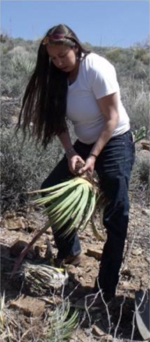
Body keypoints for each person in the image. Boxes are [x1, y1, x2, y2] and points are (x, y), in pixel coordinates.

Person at [17, 24, 135, 301]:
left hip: (115, 140)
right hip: (83, 142)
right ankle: (71, 251)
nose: (58, 62)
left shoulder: (96, 68)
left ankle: (106, 290)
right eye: (52, 57)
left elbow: (112, 119)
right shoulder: (55, 76)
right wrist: (71, 152)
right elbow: (56, 120)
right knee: (51, 190)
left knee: (116, 213)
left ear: (76, 47)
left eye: (62, 56)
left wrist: (93, 157)